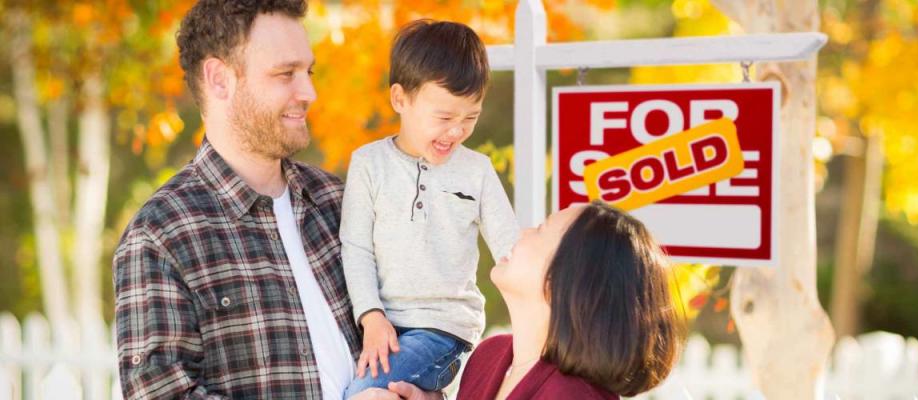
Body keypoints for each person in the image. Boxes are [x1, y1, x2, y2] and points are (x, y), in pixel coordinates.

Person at [112, 1, 396, 398]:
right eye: (285, 74)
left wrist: (420, 391)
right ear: (219, 79)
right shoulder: (162, 234)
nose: (309, 93)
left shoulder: (338, 202)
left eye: (308, 72)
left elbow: (408, 330)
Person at [339, 19, 520, 397]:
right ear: (400, 99)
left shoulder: (477, 171)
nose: (456, 132)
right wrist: (371, 316)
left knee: (365, 390)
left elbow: (512, 251)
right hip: (381, 325)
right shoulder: (368, 164)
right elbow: (356, 249)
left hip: (444, 333)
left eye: (470, 117)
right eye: (444, 118)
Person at [391, 202, 684, 399]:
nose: (522, 232)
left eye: (542, 230)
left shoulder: (573, 396)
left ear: (566, 278)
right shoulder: (490, 355)